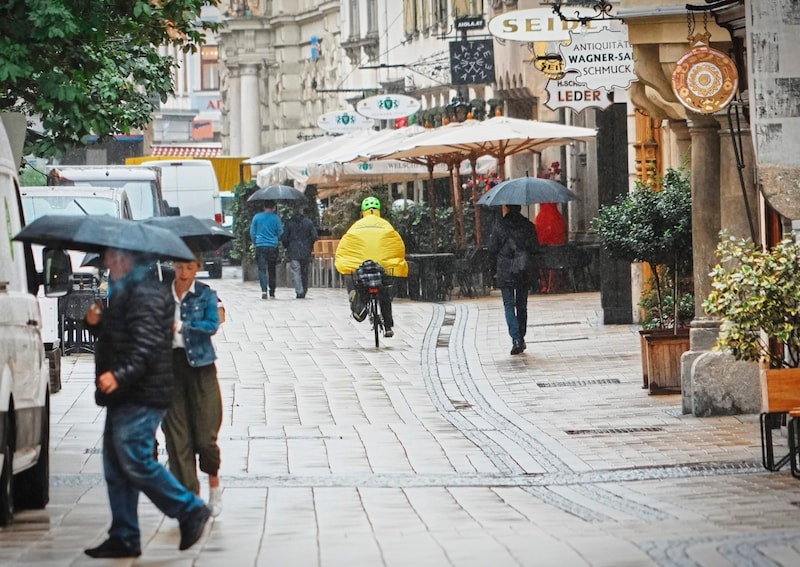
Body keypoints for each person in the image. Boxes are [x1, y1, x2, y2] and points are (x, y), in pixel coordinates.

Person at [84, 248, 211, 559]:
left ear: (127, 261)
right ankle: (124, 535)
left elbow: (147, 346)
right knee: (116, 466)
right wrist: (97, 322)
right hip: (124, 394)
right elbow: (121, 337)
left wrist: (119, 375)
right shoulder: (127, 292)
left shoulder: (146, 295)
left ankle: (190, 508)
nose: (107, 264)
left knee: (136, 459)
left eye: (112, 258)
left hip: (141, 392)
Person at [161, 254, 224, 518]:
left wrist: (183, 326)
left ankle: (213, 482)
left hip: (200, 367)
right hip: (169, 367)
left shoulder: (206, 295)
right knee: (177, 438)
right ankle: (190, 500)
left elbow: (212, 324)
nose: (184, 273)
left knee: (205, 436)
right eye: (179, 267)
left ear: (198, 268)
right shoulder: (162, 294)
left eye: (189, 267)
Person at [334, 196, 408, 338]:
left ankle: (358, 304)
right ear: (379, 211)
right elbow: (397, 244)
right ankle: (387, 326)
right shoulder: (386, 225)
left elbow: (345, 246)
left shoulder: (356, 226)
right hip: (382, 266)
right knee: (384, 293)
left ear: (363, 212)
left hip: (362, 266)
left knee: (355, 280)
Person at [488, 204, 540, 355]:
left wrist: (493, 270)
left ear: (507, 208)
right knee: (522, 305)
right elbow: (535, 248)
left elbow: (492, 249)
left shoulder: (500, 226)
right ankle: (521, 336)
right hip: (522, 268)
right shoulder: (528, 226)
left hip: (504, 269)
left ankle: (516, 339)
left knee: (509, 305)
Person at [282, 205, 318, 298]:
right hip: (306, 250)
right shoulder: (308, 222)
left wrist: (287, 246)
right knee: (304, 271)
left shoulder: (289, 223)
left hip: (293, 250)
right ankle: (304, 289)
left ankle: (299, 291)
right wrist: (309, 244)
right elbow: (314, 236)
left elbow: (284, 238)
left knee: (296, 271)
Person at [250, 199, 284, 299]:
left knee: (262, 269)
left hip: (260, 246)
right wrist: (276, 240)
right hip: (272, 246)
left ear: (263, 206)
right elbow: (280, 232)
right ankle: (272, 291)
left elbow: (252, 233)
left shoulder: (257, 217)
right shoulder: (276, 218)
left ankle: (264, 290)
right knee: (272, 269)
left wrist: (256, 242)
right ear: (273, 207)